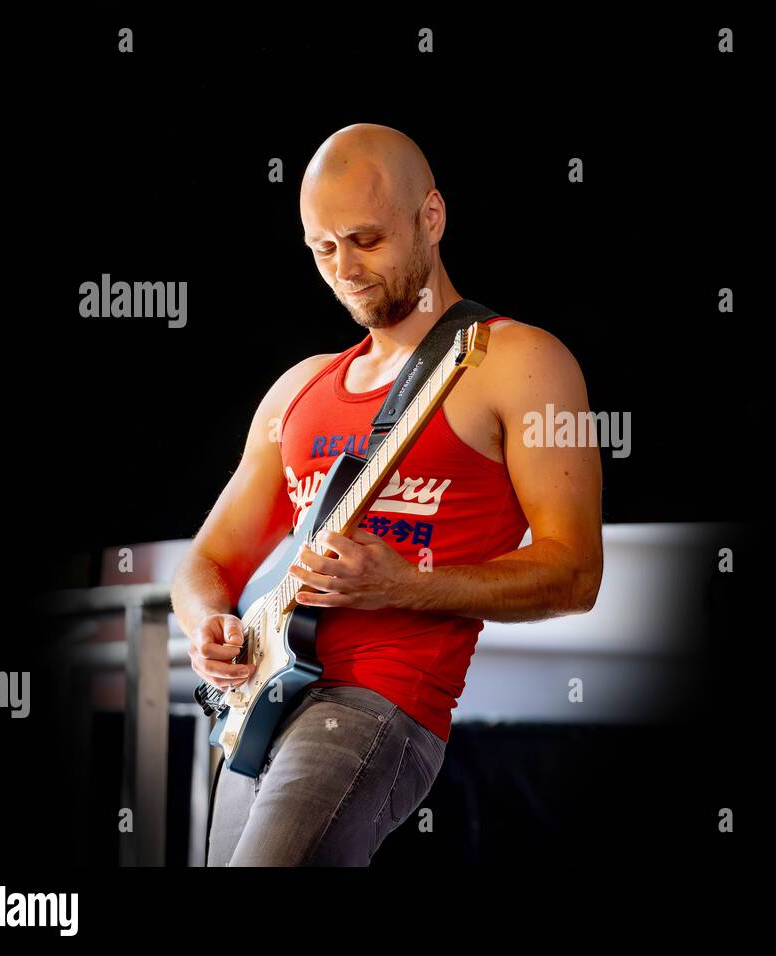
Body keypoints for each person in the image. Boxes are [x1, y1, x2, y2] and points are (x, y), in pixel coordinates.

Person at [170, 123, 604, 865]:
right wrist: (211, 627)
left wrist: (404, 583)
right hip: (265, 699)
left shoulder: (519, 362)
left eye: (366, 240)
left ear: (430, 218)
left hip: (378, 703)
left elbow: (576, 573)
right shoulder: (299, 387)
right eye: (323, 248)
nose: (345, 269)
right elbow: (206, 560)